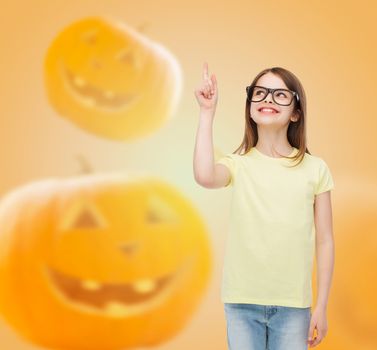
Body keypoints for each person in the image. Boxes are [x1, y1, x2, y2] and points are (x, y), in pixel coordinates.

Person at [193, 62, 335, 350]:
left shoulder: (315, 169)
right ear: (249, 106)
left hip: (294, 305)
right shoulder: (238, 164)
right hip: (242, 303)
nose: (268, 99)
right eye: (260, 93)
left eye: (280, 94)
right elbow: (205, 176)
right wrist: (207, 113)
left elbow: (325, 241)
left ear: (296, 112)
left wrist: (321, 306)